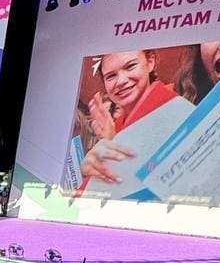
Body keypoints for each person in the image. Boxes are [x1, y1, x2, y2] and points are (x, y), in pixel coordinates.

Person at [79, 49, 194, 188]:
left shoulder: (175, 110)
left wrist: (115, 145)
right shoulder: (116, 124)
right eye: (111, 76)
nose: (121, 81)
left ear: (150, 61)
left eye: (131, 66)